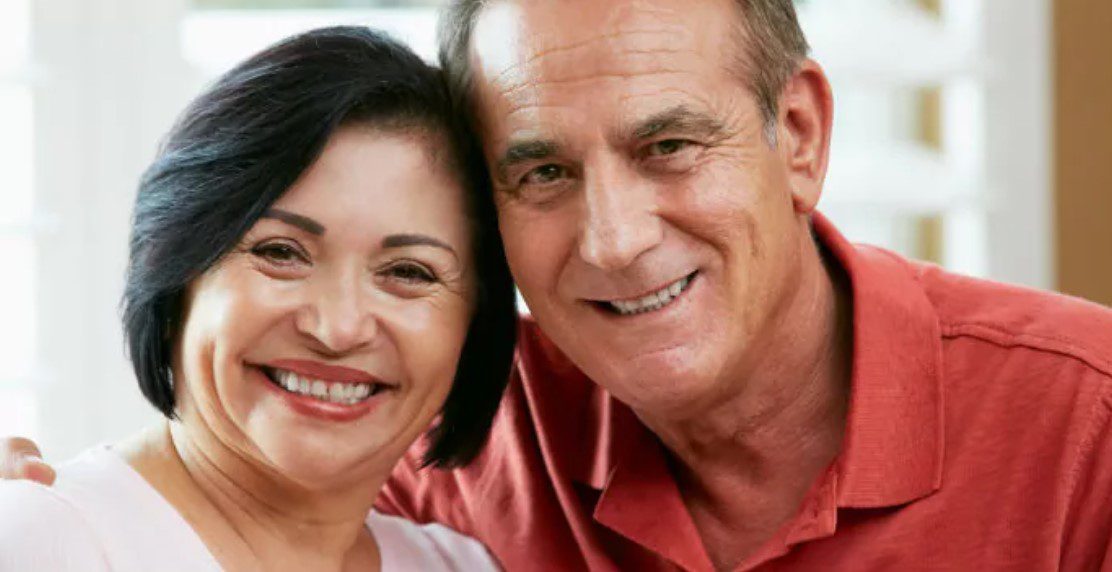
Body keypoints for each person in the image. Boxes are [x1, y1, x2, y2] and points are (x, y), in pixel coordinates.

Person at [5, 1, 1112, 570]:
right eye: (540, 169)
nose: (616, 238)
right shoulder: (457, 436)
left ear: (798, 135)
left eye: (670, 144)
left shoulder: (1086, 430)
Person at [0, 26, 517, 571]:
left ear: (473, 327)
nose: (337, 328)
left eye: (409, 271)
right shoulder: (47, 542)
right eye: (281, 252)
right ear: (177, 273)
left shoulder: (460, 565)